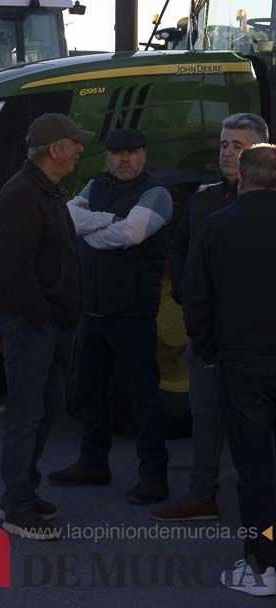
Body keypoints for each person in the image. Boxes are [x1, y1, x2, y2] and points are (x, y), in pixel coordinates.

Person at [153, 112, 270, 522]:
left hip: (255, 342)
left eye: (237, 146)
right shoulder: (204, 199)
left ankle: (262, 520)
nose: (226, 152)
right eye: (223, 144)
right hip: (207, 337)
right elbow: (179, 248)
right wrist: (189, 298)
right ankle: (203, 494)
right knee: (206, 416)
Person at [49, 128, 172, 504]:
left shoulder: (158, 193)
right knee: (90, 391)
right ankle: (93, 464)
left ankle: (154, 477)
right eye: (118, 153)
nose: (124, 159)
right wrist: (110, 221)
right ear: (107, 158)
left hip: (133, 313)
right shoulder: (94, 185)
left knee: (143, 398)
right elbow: (67, 219)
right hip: (93, 310)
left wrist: (92, 234)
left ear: (145, 155)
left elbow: (132, 234)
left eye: (133, 152)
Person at [0, 113, 89, 540]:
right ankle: (17, 505)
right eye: (74, 142)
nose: (81, 149)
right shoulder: (23, 195)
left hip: (45, 322)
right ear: (55, 150)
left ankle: (21, 491)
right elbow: (15, 269)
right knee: (27, 413)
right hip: (31, 324)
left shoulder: (42, 191)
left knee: (42, 410)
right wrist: (45, 319)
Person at [183, 144, 276, 595]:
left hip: (241, 364)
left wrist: (208, 350)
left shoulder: (217, 226)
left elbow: (195, 299)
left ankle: (263, 565)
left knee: (256, 472)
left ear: (242, 178)